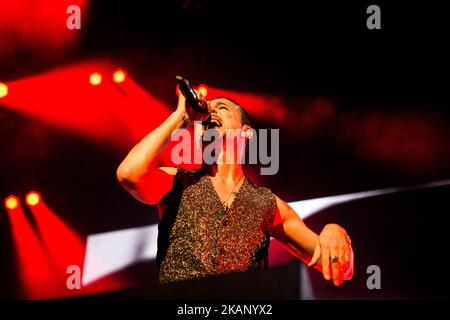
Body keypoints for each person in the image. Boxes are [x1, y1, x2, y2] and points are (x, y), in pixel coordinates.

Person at [116, 88, 354, 286]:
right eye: (208, 109)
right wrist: (181, 116)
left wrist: (335, 231)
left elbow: (337, 265)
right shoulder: (178, 182)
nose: (210, 111)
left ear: (246, 132)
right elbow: (130, 174)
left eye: (221, 108)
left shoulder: (268, 204)